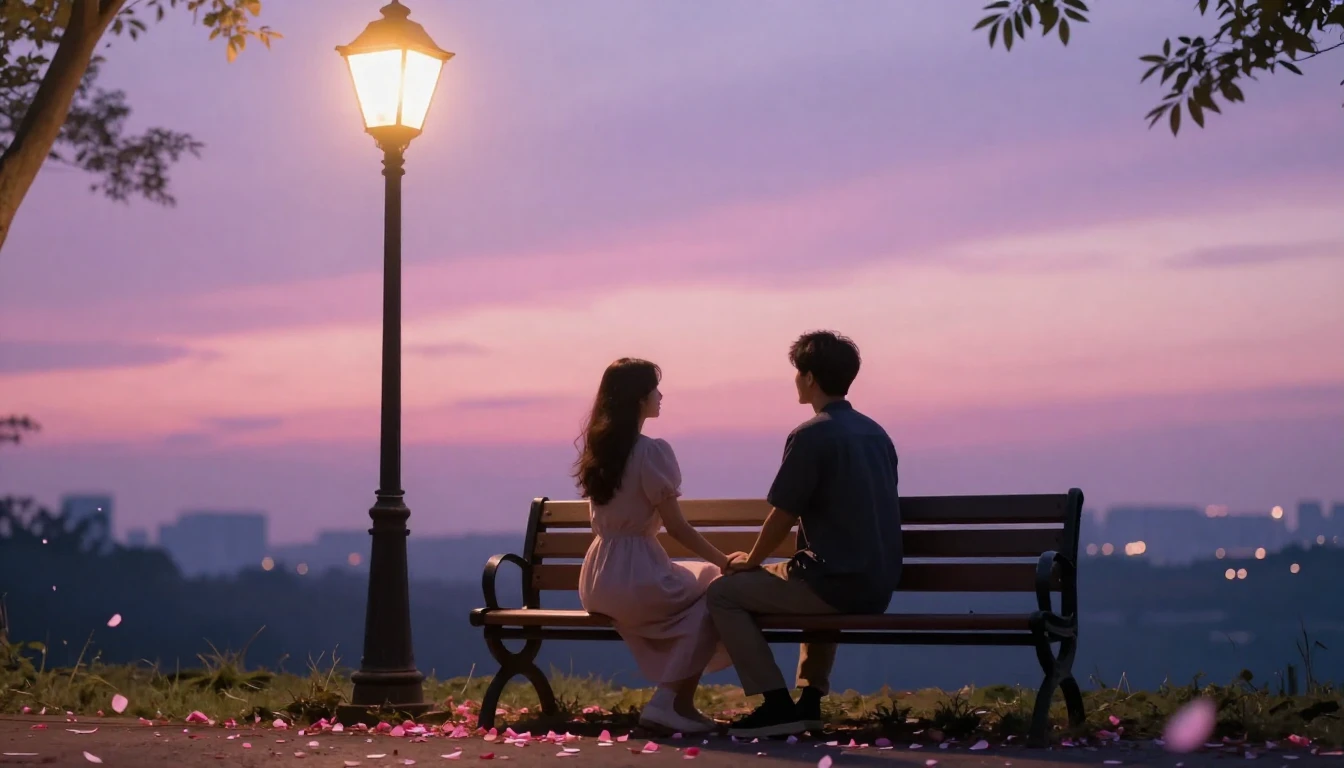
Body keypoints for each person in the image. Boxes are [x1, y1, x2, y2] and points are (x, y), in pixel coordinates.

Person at [706, 331, 902, 738]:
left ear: (810, 377)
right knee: (810, 569)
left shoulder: (811, 435)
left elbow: (783, 513)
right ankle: (809, 703)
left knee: (723, 594)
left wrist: (752, 561)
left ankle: (776, 704)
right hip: (876, 584)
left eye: (798, 372)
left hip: (833, 583)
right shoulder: (876, 434)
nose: (796, 380)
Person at [573, 358, 741, 734]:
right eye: (654, 389)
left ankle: (682, 706)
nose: (660, 396)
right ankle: (666, 702)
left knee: (705, 589)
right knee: (717, 588)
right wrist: (724, 561)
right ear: (639, 398)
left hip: (598, 579)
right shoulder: (650, 452)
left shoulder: (601, 451)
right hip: (635, 578)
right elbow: (677, 528)